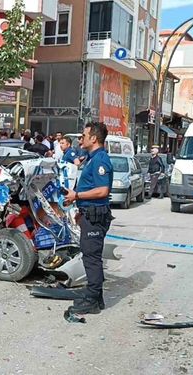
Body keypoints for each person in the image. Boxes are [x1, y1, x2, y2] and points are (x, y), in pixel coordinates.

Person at [63, 122, 114, 315]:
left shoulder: (100, 160)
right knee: (91, 256)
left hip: (95, 216)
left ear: (93, 138)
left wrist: (77, 196)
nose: (80, 139)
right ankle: (96, 297)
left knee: (92, 258)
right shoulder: (92, 159)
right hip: (89, 213)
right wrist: (78, 206)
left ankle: (92, 300)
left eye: (83, 136)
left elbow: (102, 190)